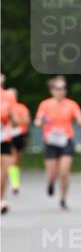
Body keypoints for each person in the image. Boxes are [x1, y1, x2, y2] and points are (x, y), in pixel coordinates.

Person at [34, 77, 81, 210]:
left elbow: (80, 119)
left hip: (66, 140)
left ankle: (63, 198)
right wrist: (41, 121)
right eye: (57, 89)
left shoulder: (71, 104)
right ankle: (51, 182)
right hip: (51, 141)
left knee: (64, 172)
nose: (60, 91)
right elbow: (37, 121)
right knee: (52, 173)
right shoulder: (45, 104)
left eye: (63, 88)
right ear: (52, 91)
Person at [7, 89, 31, 194]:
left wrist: (17, 121)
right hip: (7, 136)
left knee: (17, 161)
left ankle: (13, 179)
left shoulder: (21, 107)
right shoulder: (3, 106)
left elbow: (27, 120)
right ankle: (14, 184)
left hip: (19, 135)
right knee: (13, 158)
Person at [0, 74, 17, 214]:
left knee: (5, 170)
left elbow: (16, 120)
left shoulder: (9, 96)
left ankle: (1, 199)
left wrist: (11, 117)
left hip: (4, 137)